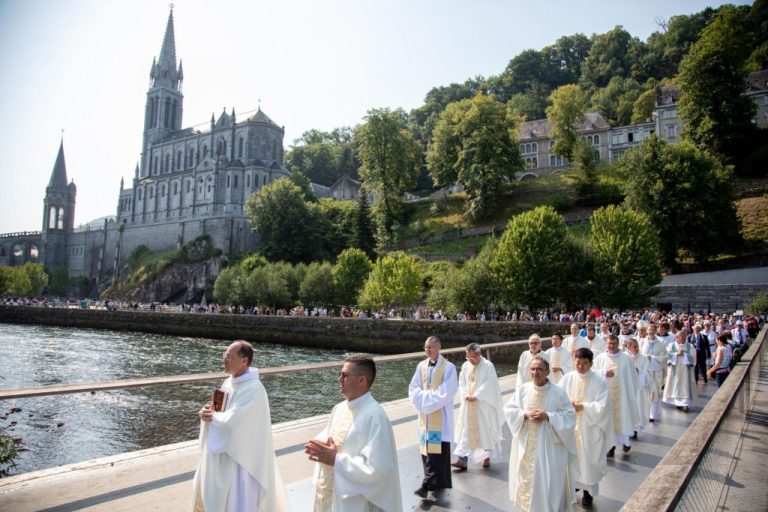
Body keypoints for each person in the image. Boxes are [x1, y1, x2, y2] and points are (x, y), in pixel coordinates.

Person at [192, 340, 289, 512]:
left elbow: (234, 423)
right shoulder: (229, 382)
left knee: (237, 503)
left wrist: (213, 417)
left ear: (244, 361)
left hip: (242, 462)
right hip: (223, 455)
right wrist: (205, 413)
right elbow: (219, 410)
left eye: (229, 357)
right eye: (224, 355)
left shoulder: (254, 389)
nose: (224, 359)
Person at [305, 355, 402, 512]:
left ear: (362, 380)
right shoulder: (339, 408)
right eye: (340, 374)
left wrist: (336, 459)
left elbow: (378, 471)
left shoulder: (375, 416)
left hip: (353, 504)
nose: (339, 379)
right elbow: (330, 437)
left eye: (345, 375)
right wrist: (319, 446)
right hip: (331, 496)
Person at [505, 356, 578, 511]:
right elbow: (510, 410)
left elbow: (569, 415)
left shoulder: (558, 392)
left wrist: (548, 416)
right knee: (527, 479)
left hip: (549, 445)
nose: (535, 372)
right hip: (527, 443)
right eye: (532, 369)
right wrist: (524, 414)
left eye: (539, 369)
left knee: (548, 480)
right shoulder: (523, 390)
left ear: (547, 372)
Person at [558, 348, 612, 507]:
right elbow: (557, 397)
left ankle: (588, 493)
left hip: (589, 427)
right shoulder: (567, 378)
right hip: (570, 426)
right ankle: (573, 486)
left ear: (591, 364)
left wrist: (583, 406)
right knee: (571, 458)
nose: (580, 366)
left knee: (588, 462)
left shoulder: (599, 382)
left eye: (584, 363)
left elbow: (603, 406)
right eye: (578, 362)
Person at [409, 336, 459, 498]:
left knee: (437, 451)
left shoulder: (449, 367)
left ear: (439, 347)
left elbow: (448, 391)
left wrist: (427, 400)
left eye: (430, 347)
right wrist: (422, 401)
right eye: (425, 347)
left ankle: (427, 483)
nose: (427, 350)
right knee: (427, 450)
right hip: (425, 416)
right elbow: (413, 387)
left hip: (440, 415)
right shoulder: (420, 366)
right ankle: (437, 482)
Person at [451, 343, 505, 471]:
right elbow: (462, 382)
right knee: (466, 431)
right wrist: (464, 394)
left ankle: (486, 457)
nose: (470, 360)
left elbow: (490, 384)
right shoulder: (465, 366)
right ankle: (462, 459)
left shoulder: (488, 366)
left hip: (483, 404)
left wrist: (477, 395)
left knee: (485, 430)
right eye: (468, 357)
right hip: (469, 405)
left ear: (479, 354)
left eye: (473, 357)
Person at [593, 334, 640, 456]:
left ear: (618, 344)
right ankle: (610, 447)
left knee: (623, 419)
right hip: (606, 396)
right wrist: (603, 373)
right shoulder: (600, 358)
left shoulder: (626, 358)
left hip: (622, 397)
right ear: (606, 344)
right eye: (609, 343)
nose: (611, 346)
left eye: (614, 343)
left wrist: (630, 394)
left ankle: (625, 442)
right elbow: (593, 374)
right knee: (608, 421)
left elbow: (632, 378)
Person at [663, 329, 697, 412]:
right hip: (674, 370)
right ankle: (677, 403)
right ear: (677, 337)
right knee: (675, 385)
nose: (684, 338)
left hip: (686, 370)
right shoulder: (671, 346)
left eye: (685, 336)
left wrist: (685, 355)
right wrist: (676, 354)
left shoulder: (690, 346)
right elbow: (666, 356)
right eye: (682, 336)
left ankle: (685, 404)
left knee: (685, 386)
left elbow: (693, 357)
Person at [639, 325, 667, 423]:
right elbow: (638, 355)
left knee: (654, 393)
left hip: (655, 372)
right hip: (645, 371)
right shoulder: (642, 342)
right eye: (649, 330)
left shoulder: (660, 343)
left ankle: (652, 414)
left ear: (656, 331)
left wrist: (654, 358)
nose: (651, 331)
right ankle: (644, 413)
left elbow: (665, 357)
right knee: (644, 393)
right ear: (647, 331)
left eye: (653, 330)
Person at [625, 339, 650, 438]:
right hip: (626, 388)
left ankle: (635, 429)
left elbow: (649, 372)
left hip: (638, 388)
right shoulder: (624, 357)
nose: (637, 348)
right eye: (634, 346)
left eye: (637, 346)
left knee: (637, 407)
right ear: (628, 347)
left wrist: (639, 371)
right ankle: (627, 428)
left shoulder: (643, 358)